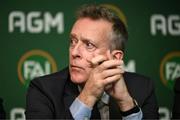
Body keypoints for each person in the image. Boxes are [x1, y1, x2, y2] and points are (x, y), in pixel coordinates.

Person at [25, 4, 159, 119]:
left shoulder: (143, 89)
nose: (74, 52)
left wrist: (126, 104)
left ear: (115, 58)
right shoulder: (44, 90)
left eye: (89, 45)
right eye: (73, 41)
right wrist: (88, 95)